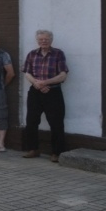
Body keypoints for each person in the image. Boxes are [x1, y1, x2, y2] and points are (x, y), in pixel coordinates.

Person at [21, 29, 69, 163]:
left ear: (51, 40)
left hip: (53, 92)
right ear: (37, 41)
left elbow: (63, 74)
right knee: (31, 121)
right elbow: (27, 73)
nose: (43, 41)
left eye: (46, 39)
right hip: (35, 91)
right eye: (41, 39)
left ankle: (57, 152)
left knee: (56, 123)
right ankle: (33, 149)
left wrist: (45, 82)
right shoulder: (31, 54)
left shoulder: (58, 54)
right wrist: (36, 83)